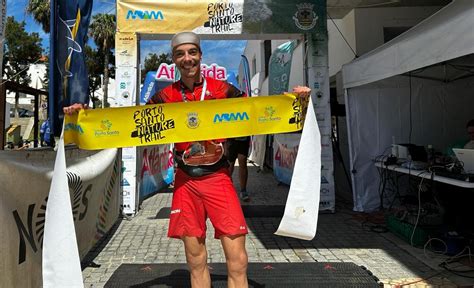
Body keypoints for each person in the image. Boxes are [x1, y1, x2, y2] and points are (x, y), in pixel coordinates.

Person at [64, 31, 311, 288]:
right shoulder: (166, 96)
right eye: (180, 54)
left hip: (218, 179)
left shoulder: (222, 89)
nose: (187, 58)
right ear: (174, 59)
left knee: (237, 260)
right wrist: (87, 117)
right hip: (185, 184)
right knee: (196, 261)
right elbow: (129, 121)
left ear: (200, 55)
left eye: (192, 52)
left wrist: (295, 102)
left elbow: (259, 111)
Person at [226, 136, 251, 201]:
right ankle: (227, 188)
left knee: (243, 161)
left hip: (244, 136)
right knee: (230, 164)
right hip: (231, 137)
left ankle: (243, 190)